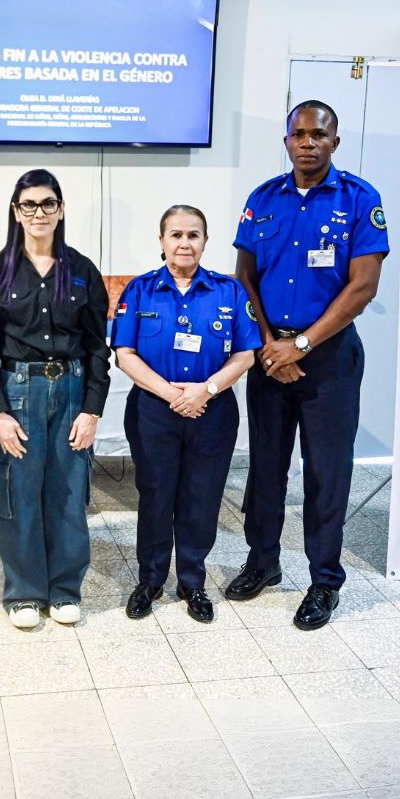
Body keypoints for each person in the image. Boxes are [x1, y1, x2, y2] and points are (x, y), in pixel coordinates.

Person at [227, 99, 389, 631]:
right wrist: (270, 345)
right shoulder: (263, 198)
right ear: (287, 141)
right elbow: (244, 279)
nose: (307, 143)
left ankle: (324, 580)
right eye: (298, 134)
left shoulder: (360, 199)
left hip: (330, 360)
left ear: (334, 142)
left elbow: (363, 287)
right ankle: (263, 562)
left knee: (326, 473)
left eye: (318, 135)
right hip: (269, 356)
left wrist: (301, 345)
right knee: (266, 467)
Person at [0, 169, 110, 629]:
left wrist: (92, 409)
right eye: (29, 205)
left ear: (61, 209)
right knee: (19, 494)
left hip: (72, 392)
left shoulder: (83, 271)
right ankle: (24, 594)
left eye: (48, 203)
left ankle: (65, 590)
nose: (39, 213)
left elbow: (98, 348)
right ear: (16, 212)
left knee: (68, 494)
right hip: (18, 392)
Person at [112, 206, 259, 623]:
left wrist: (205, 391)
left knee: (201, 498)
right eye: (175, 234)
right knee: (156, 496)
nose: (184, 243)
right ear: (161, 241)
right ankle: (151, 580)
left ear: (205, 241)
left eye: (193, 235)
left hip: (212, 410)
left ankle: (192, 581)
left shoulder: (229, 292)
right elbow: (124, 354)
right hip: (154, 411)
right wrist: (172, 395)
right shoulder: (140, 290)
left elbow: (246, 355)